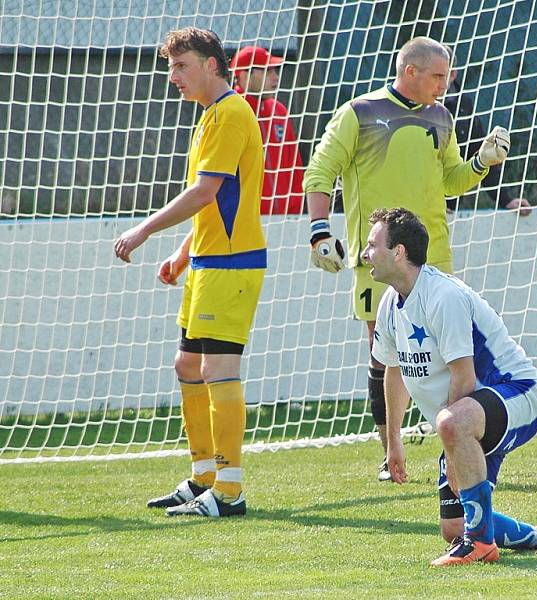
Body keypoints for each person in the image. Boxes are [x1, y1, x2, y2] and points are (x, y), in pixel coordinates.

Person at [303, 36, 512, 482]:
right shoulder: (358, 112)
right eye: (438, 76)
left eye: (448, 76)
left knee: (453, 354)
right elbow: (319, 171)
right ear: (410, 72)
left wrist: (480, 163)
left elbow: (450, 181)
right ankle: (390, 452)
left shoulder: (442, 116)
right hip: (377, 261)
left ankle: (458, 447)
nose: (445, 84)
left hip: (434, 258)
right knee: (385, 357)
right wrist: (320, 230)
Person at [114, 27, 266, 517]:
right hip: (207, 263)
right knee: (186, 366)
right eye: (171, 66)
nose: (173, 76)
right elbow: (214, 202)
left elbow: (204, 193)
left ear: (212, 65)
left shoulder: (229, 114)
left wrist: (144, 231)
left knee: (217, 370)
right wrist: (184, 253)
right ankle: (203, 477)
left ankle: (230, 490)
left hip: (231, 265)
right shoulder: (209, 118)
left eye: (182, 66)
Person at [364, 207, 537, 566]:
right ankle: (534, 536)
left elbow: (464, 378)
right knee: (455, 527)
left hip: (517, 395)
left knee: (453, 429)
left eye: (372, 244)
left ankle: (482, 546)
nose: (365, 253)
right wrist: (393, 443)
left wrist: (453, 445)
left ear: (399, 252)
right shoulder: (391, 301)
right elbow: (393, 372)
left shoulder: (443, 296)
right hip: (467, 415)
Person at [443, 51, 531, 216]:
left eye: (440, 74)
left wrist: (506, 200)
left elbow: (481, 153)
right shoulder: (410, 109)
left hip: (447, 213)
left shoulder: (463, 106)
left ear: (452, 74)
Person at [230, 45, 305, 215]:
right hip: (246, 223)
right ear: (244, 75)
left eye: (275, 70)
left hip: (286, 219)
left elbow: (294, 165)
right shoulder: (231, 113)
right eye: (267, 71)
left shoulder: (279, 111)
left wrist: (295, 208)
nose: (275, 77)